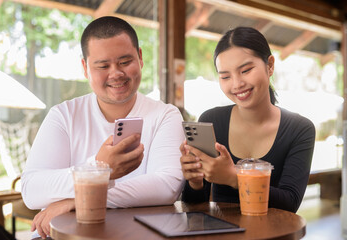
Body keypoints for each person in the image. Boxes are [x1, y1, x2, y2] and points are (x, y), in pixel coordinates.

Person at [21, 16, 185, 239]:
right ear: (85, 68)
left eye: (125, 62)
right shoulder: (63, 115)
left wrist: (80, 200)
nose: (116, 73)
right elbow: (32, 190)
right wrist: (99, 168)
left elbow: (166, 186)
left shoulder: (165, 115)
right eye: (103, 66)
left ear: (140, 58)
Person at [180, 27, 315, 213]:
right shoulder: (211, 120)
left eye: (246, 70)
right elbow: (194, 205)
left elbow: (290, 202)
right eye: (225, 76)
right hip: (222, 232)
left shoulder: (300, 129)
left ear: (270, 65)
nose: (236, 84)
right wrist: (195, 182)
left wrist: (233, 177)